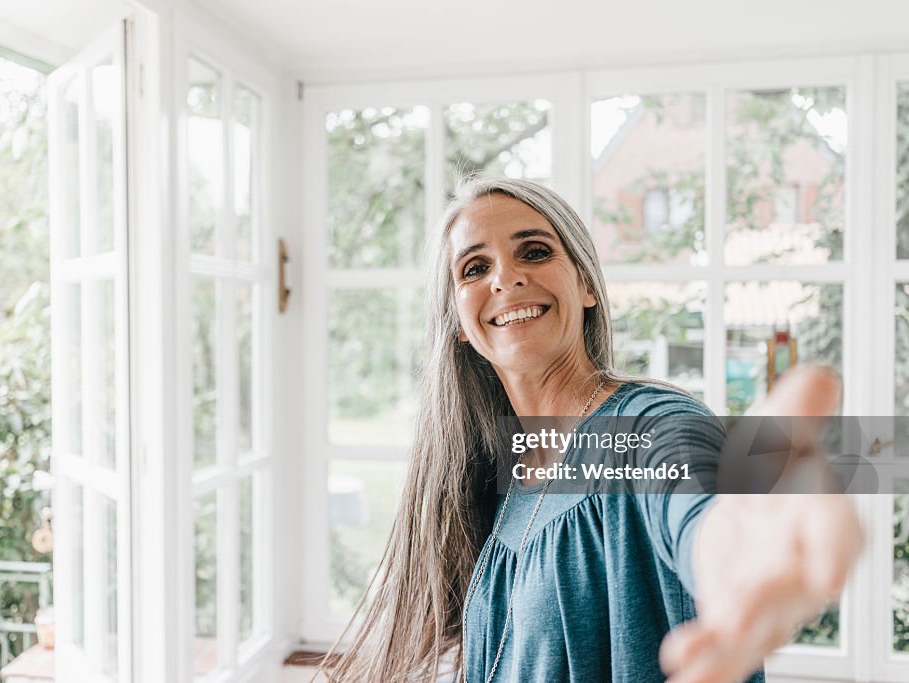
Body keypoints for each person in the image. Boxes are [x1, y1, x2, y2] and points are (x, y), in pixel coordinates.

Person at [320, 177, 863, 682]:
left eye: (534, 251)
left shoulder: (644, 427)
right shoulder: (503, 468)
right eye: (473, 268)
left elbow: (691, 492)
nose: (505, 277)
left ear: (586, 286)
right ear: (458, 324)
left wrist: (726, 544)